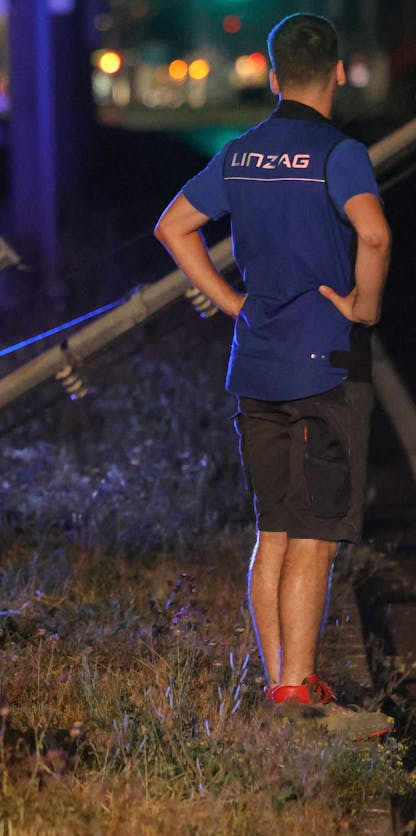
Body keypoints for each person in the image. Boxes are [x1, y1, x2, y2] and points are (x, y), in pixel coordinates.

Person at [154, 13, 392, 739]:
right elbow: (375, 232)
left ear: (272, 72)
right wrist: (365, 305)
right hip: (326, 364)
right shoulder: (338, 152)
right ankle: (297, 692)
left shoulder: (242, 153)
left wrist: (230, 301)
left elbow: (173, 225)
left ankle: (280, 682)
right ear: (339, 72)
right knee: (315, 534)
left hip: (255, 365)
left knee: (276, 528)